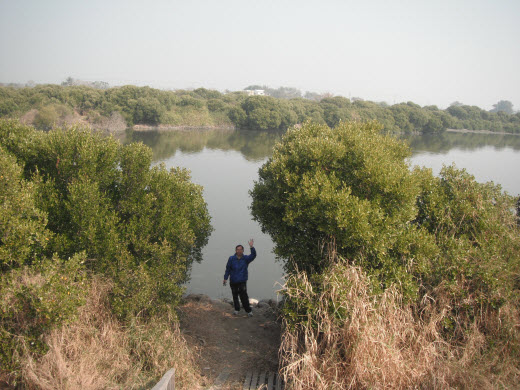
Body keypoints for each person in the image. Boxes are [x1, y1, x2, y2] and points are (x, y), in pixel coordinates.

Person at [223, 239, 256, 317]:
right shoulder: (231, 258)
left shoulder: (246, 259)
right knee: (235, 295)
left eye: (241, 249)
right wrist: (225, 278)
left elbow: (253, 255)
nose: (239, 251)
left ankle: (248, 311)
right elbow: (228, 269)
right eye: (237, 249)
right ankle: (236, 309)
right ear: (235, 250)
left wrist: (251, 247)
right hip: (233, 280)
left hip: (242, 280)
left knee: (244, 296)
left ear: (243, 251)